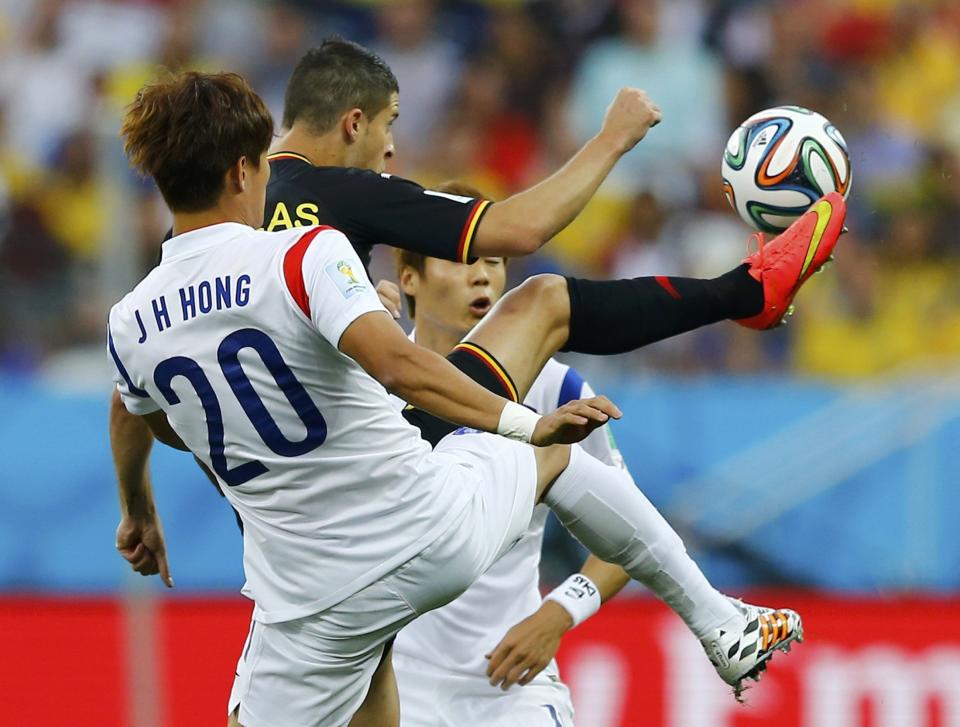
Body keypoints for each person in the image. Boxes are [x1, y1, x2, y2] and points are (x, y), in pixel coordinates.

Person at [111, 71, 843, 725]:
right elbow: (402, 362)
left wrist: (140, 508)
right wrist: (525, 424)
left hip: (304, 596)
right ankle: (720, 622)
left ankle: (721, 619)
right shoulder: (309, 248)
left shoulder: (133, 320)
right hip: (421, 527)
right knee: (547, 358)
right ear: (245, 167)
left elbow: (144, 415)